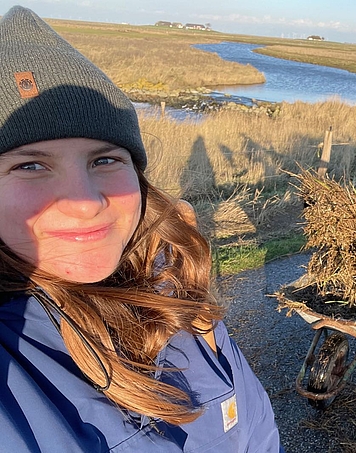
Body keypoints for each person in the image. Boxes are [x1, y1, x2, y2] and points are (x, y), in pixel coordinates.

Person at [0, 6, 283, 452]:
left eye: (105, 159)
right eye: (29, 165)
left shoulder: (168, 277)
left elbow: (251, 427)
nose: (86, 202)